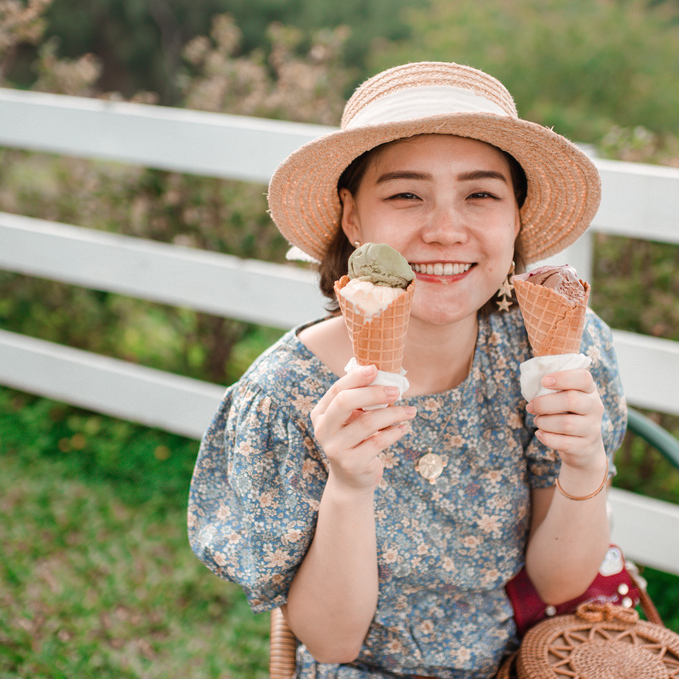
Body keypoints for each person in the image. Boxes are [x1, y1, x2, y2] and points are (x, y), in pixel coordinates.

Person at [188, 61, 627, 679]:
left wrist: (586, 461)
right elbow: (333, 642)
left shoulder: (551, 351)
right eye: (404, 194)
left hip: (531, 654)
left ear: (518, 215)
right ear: (352, 216)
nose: (446, 231)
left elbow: (559, 582)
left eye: (481, 194)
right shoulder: (285, 398)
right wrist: (349, 484)